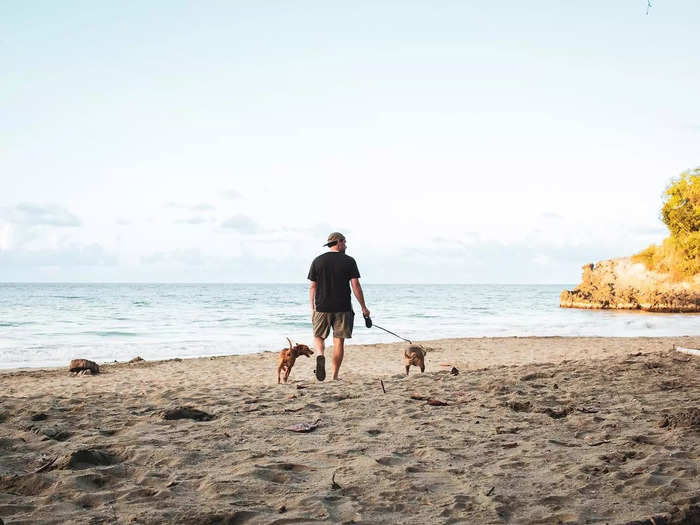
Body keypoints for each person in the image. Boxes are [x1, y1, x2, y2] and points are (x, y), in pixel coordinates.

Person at [307, 232, 370, 381]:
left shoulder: (318, 261)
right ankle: (334, 376)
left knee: (318, 337)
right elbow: (355, 285)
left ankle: (320, 355)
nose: (346, 245)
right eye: (345, 242)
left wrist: (312, 308)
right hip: (343, 307)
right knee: (339, 341)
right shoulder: (349, 261)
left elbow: (312, 287)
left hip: (322, 307)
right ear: (338, 242)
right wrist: (363, 307)